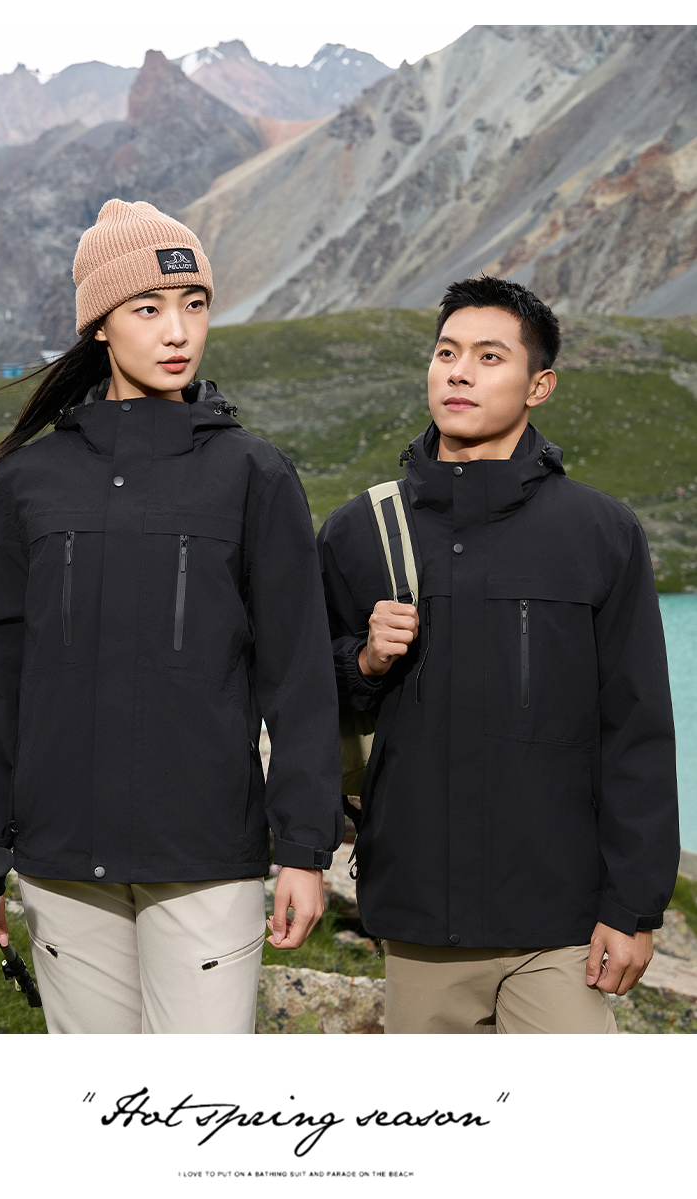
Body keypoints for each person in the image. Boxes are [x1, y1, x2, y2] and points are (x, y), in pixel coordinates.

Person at [0, 199, 343, 1034]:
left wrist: (306, 850)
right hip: (61, 858)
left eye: (195, 305)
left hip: (206, 858)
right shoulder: (24, 485)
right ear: (100, 324)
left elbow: (300, 680)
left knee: (197, 1102)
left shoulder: (255, 475)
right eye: (149, 308)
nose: (178, 331)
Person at [318, 276, 680, 1034]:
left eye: (489, 357)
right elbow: (303, 700)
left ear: (539, 385)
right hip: (418, 915)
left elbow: (637, 730)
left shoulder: (602, 534)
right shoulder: (359, 532)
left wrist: (634, 906)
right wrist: (364, 662)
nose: (459, 373)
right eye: (446, 352)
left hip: (561, 921)